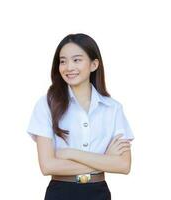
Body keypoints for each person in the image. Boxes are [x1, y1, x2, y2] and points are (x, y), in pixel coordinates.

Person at [26, 33, 135, 200]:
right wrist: (105, 161)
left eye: (76, 60)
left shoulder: (113, 109)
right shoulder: (46, 104)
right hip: (60, 192)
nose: (68, 67)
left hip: (98, 192)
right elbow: (47, 166)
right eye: (63, 61)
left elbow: (123, 165)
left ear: (94, 64)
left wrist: (69, 152)